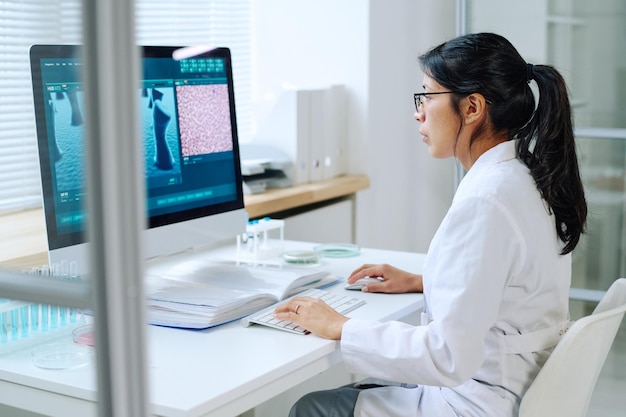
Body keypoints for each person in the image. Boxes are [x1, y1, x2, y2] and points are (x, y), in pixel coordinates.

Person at [274, 32, 588, 417]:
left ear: (472, 107)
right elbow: (515, 282)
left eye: (427, 96)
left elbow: (447, 357)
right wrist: (426, 280)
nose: (418, 112)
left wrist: (341, 326)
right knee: (355, 391)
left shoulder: (486, 200)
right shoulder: (526, 176)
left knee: (313, 408)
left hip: (478, 401)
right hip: (517, 386)